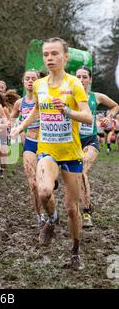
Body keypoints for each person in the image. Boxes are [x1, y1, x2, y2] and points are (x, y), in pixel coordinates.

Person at [11, 37, 93, 270]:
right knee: (44, 190)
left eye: (54, 54)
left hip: (71, 152)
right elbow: (37, 110)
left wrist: (66, 111)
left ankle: (75, 252)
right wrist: (21, 125)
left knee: (72, 209)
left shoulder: (74, 84)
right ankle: (51, 218)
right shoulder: (39, 85)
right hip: (46, 149)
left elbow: (87, 116)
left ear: (65, 57)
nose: (49, 58)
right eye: (46, 54)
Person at [76, 66, 119, 227]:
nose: (81, 80)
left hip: (90, 140)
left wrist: (109, 117)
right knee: (74, 177)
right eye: (78, 77)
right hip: (71, 142)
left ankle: (86, 212)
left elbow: (115, 106)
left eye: (84, 77)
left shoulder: (97, 97)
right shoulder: (69, 96)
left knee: (81, 171)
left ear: (90, 79)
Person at [10, 70, 47, 228]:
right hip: (30, 143)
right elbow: (11, 119)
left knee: (45, 184)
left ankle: (50, 208)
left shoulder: (45, 99)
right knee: (32, 183)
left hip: (47, 143)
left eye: (34, 78)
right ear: (23, 82)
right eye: (27, 79)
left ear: (39, 81)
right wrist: (13, 128)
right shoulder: (20, 103)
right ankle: (40, 215)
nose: (30, 81)